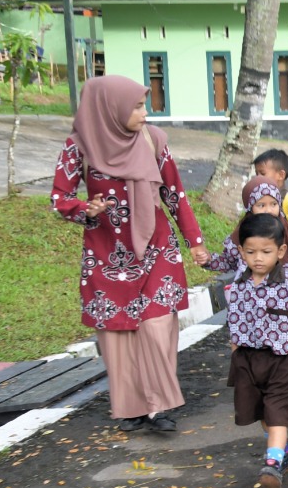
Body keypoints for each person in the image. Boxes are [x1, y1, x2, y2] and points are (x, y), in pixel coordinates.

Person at [51, 77, 209, 431]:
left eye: (144, 104)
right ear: (111, 109)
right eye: (137, 106)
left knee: (157, 325)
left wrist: (194, 241)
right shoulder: (80, 146)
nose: (144, 112)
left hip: (156, 246)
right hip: (106, 251)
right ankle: (131, 407)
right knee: (117, 331)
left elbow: (175, 194)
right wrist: (84, 208)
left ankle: (158, 406)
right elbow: (59, 198)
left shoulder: (154, 140)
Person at [224, 213, 288, 488]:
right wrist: (236, 352)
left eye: (265, 252)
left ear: (281, 251)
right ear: (241, 252)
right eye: (250, 252)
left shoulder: (287, 284)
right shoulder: (238, 283)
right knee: (260, 410)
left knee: (276, 408)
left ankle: (272, 463)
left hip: (280, 358)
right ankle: (282, 452)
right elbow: (234, 319)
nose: (258, 258)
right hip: (248, 359)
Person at [252, 148, 288, 221]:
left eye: (262, 173)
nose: (258, 177)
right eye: (257, 174)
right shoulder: (258, 196)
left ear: (281, 175)